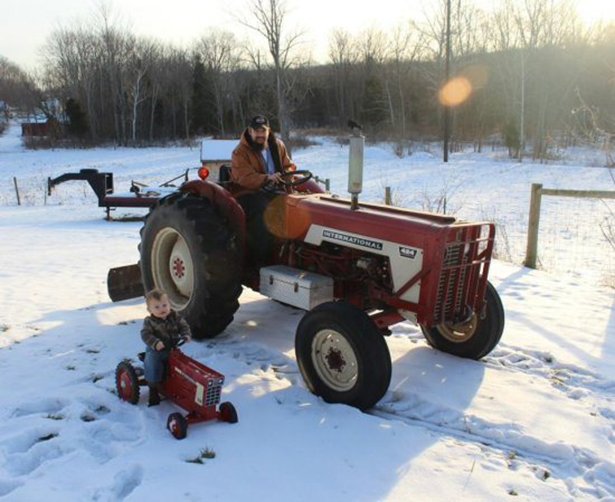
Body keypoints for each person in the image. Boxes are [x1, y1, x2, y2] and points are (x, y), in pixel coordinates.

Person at [231, 115, 296, 268]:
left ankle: (292, 253)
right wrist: (267, 178)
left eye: (263, 131)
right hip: (248, 193)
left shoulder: (277, 145)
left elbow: (289, 166)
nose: (260, 135)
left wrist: (286, 176)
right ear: (249, 131)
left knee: (296, 206)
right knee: (265, 212)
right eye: (256, 131)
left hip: (274, 190)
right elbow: (244, 177)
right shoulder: (240, 152)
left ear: (269, 131)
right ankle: (260, 263)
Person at [140, 288, 192, 406]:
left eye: (164, 305)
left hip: (172, 348)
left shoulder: (175, 317)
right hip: (156, 350)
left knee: (182, 364)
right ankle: (153, 390)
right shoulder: (149, 321)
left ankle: (181, 384)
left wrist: (186, 335)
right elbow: (145, 334)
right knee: (153, 365)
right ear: (149, 310)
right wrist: (156, 343)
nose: (162, 309)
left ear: (169, 304)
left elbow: (183, 326)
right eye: (157, 307)